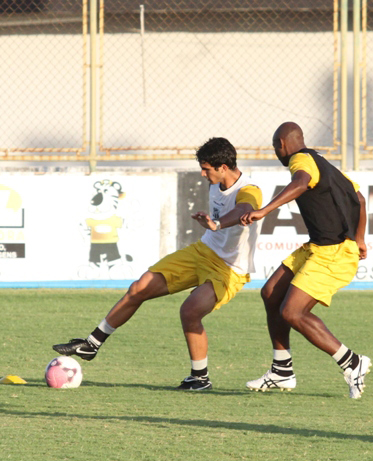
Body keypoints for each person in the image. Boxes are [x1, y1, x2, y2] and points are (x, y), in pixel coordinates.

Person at [53, 137, 262, 391]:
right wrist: (212, 228)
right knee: (139, 288)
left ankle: (200, 378)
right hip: (202, 251)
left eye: (206, 168)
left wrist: (217, 224)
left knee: (190, 311)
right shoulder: (215, 184)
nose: (202, 173)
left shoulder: (249, 189)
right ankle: (92, 343)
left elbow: (243, 209)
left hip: (230, 268)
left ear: (223, 167)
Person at [239, 121, 370, 399]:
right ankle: (281, 370)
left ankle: (352, 362)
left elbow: (300, 183)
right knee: (271, 293)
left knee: (292, 312)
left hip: (333, 252)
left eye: (276, 147)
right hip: (318, 246)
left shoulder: (300, 160)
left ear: (281, 145)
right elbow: (359, 199)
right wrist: (360, 238)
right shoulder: (322, 162)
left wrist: (264, 211)